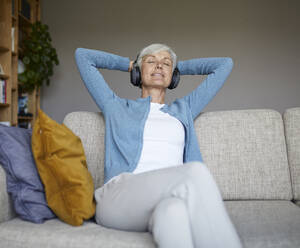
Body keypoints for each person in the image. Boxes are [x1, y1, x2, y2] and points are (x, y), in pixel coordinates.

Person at [75, 44, 242, 248]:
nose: (159, 66)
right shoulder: (116, 107)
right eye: (151, 61)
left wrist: (176, 69)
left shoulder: (184, 109)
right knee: (195, 172)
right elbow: (83, 57)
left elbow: (224, 65)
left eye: (166, 63)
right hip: (119, 197)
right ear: (138, 71)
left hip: (166, 197)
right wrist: (130, 65)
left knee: (174, 212)